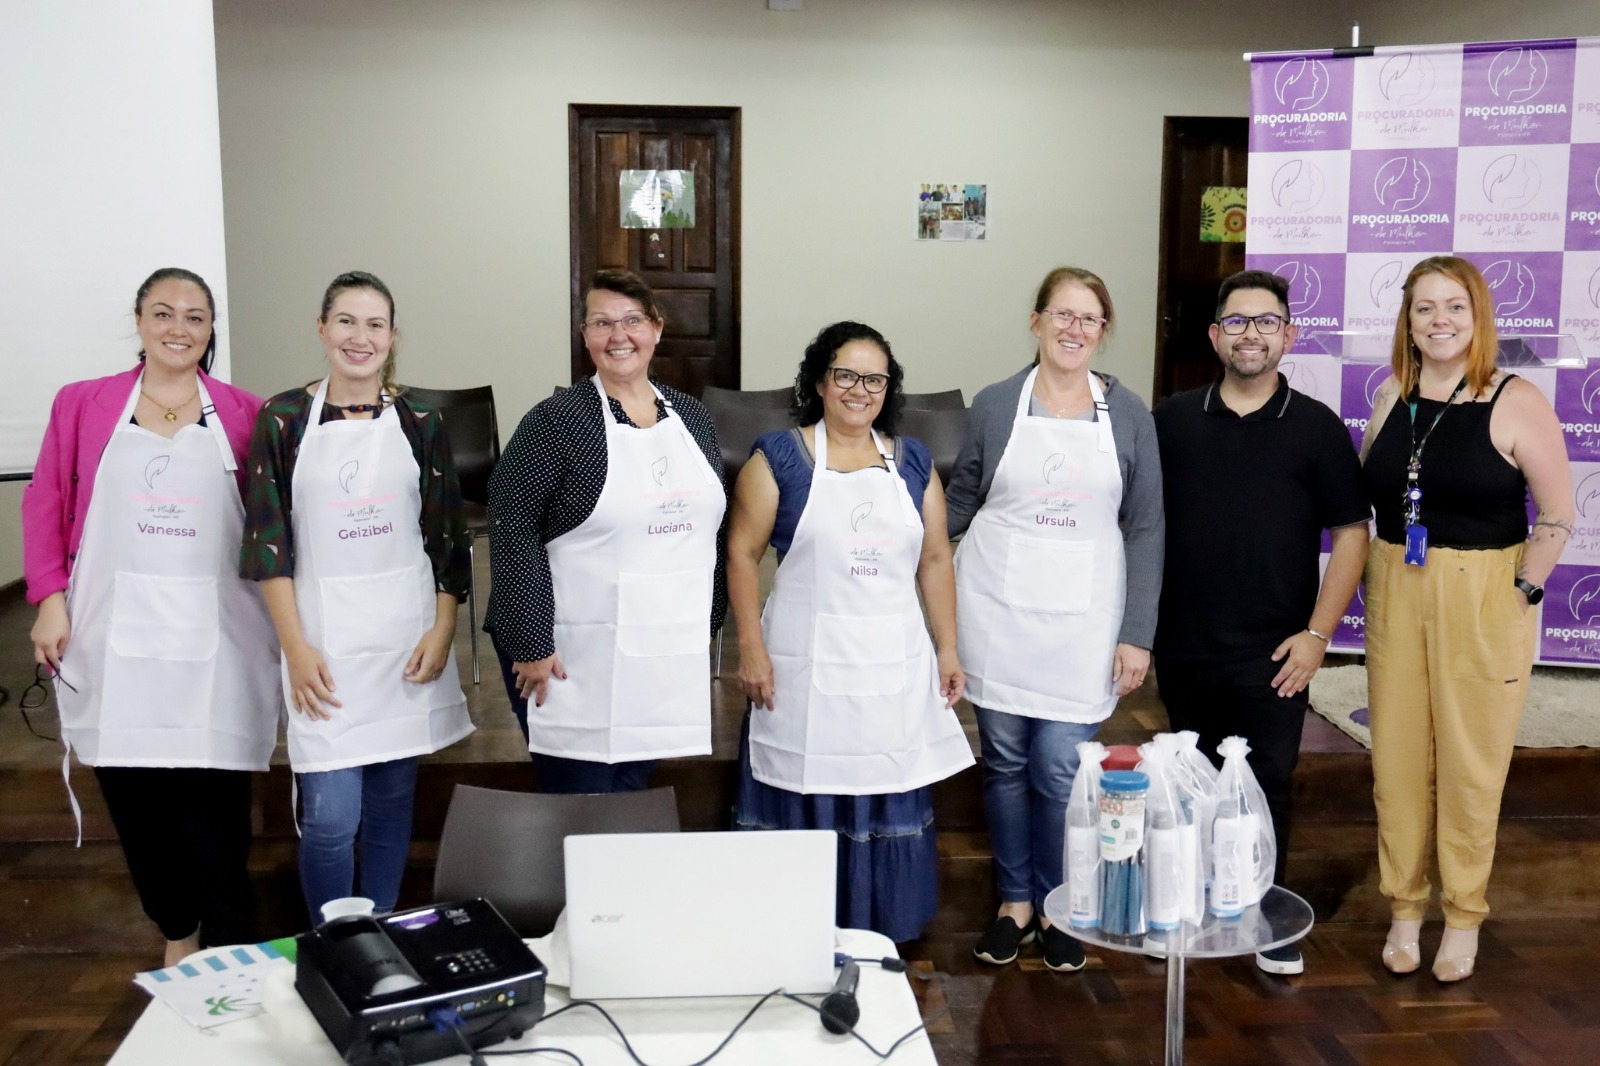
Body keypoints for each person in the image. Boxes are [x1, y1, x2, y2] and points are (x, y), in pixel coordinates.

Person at [24, 267, 281, 965]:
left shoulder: (245, 412)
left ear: (210, 330)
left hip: (220, 635)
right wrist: (49, 599)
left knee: (216, 803)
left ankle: (230, 941)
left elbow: (273, 524)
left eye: (195, 317)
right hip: (111, 633)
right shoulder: (82, 405)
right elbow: (45, 501)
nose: (178, 328)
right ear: (139, 322)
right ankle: (177, 929)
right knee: (136, 800)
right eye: (163, 313)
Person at [1360, 256, 1572, 982]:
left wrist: (1526, 592)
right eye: (1424, 308)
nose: (1439, 321)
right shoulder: (1394, 394)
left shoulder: (1516, 398)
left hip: (1484, 592)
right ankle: (1405, 908)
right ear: (1407, 319)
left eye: (1454, 307)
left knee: (1470, 764)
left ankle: (1464, 916)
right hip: (1397, 585)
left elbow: (1558, 512)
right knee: (1395, 760)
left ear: (1479, 316)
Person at [946, 266, 1164, 971]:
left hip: (1085, 617)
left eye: (1089, 318)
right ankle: (1014, 903)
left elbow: (1146, 526)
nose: (1074, 329)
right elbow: (962, 500)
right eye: (1061, 315)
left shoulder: (1126, 413)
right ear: (1036, 321)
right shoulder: (995, 402)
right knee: (1004, 759)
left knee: (1060, 767)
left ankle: (1060, 902)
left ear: (1104, 331)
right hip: (996, 609)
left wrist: (1138, 633)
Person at [1153, 269, 1370, 977]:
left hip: (1277, 650)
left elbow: (1352, 532)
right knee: (1191, 785)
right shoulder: (1173, 420)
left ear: (1289, 335)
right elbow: (1137, 527)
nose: (1252, 334)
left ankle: (1261, 912)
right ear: (1216, 336)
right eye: (1238, 322)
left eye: (1266, 321)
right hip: (1183, 644)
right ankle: (1188, 906)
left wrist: (1317, 636)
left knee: (1265, 784)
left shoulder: (1316, 427)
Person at [727, 321, 974, 943]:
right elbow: (740, 553)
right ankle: (792, 930)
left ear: (888, 389)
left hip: (889, 665)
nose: (860, 390)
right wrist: (750, 649)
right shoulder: (778, 458)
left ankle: (879, 927)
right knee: (801, 783)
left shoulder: (913, 462)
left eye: (875, 379)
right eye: (846, 375)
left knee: (882, 781)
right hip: (801, 668)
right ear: (819, 381)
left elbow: (936, 558)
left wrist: (947, 647)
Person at [241, 270, 473, 923]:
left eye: (374, 324)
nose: (359, 337)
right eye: (346, 321)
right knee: (333, 815)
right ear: (322, 329)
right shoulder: (283, 419)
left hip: (405, 640)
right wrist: (295, 648)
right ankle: (338, 943)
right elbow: (268, 545)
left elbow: (447, 538)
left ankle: (387, 928)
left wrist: (443, 628)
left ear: (392, 337)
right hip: (323, 645)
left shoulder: (421, 422)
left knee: (393, 800)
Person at [485, 269, 726, 793]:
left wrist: (705, 626)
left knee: (633, 790)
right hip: (567, 653)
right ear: (585, 335)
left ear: (657, 329)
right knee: (585, 799)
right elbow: (511, 525)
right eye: (602, 323)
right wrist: (529, 641)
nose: (619, 336)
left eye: (633, 321)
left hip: (661, 646)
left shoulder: (693, 417)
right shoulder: (556, 421)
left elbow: (714, 530)